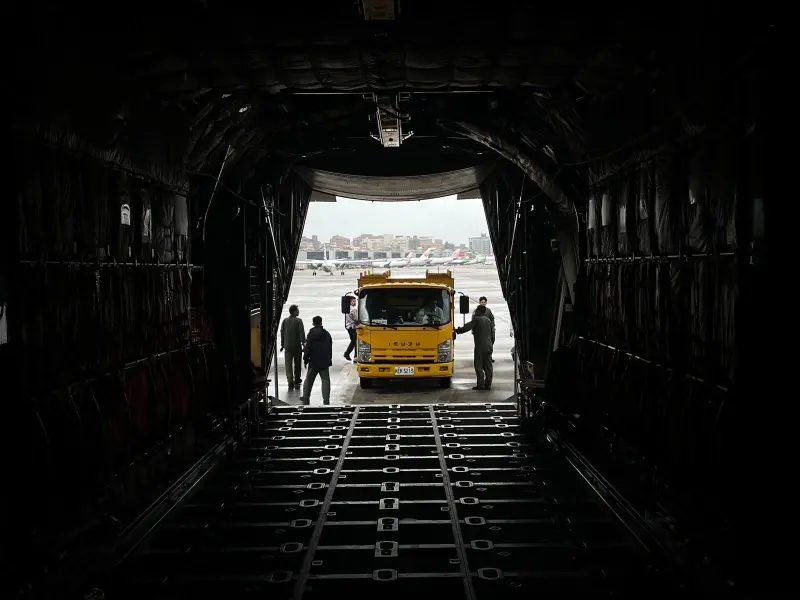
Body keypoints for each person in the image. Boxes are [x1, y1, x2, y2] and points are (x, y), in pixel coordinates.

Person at [455, 304, 493, 390]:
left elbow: (466, 327)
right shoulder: (488, 320)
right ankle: (488, 384)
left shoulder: (477, 319)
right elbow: (492, 334)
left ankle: (481, 385)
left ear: (480, 311)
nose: (475, 312)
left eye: (476, 310)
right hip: (489, 345)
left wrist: (457, 330)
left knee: (478, 366)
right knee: (488, 366)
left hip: (480, 346)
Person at [302, 316, 333, 404]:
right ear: (321, 322)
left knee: (309, 380)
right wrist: (329, 359)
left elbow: (308, 348)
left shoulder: (311, 334)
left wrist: (305, 359)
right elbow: (329, 347)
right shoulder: (327, 334)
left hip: (313, 361)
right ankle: (326, 399)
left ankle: (305, 397)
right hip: (324, 361)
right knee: (325, 380)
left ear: (313, 323)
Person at [280, 304, 306, 390]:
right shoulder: (299, 321)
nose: (298, 312)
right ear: (294, 311)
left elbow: (282, 333)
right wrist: (304, 343)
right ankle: (297, 379)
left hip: (287, 346)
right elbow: (301, 333)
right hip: (297, 346)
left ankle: (290, 381)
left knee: (288, 365)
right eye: (297, 310)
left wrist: (282, 344)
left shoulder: (284, 321)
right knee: (297, 363)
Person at [476, 296, 496, 362]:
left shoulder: (488, 310)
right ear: (479, 302)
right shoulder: (476, 311)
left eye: (484, 302)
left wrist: (492, 327)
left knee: (490, 344)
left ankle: (489, 357)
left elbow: (492, 318)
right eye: (482, 302)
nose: (483, 303)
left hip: (488, 331)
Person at [343, 295, 358, 363]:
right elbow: (357, 319)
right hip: (353, 327)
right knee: (356, 342)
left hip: (349, 327)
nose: (355, 302)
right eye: (353, 301)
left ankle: (347, 354)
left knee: (353, 341)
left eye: (355, 301)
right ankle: (355, 356)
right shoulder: (353, 310)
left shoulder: (348, 309)